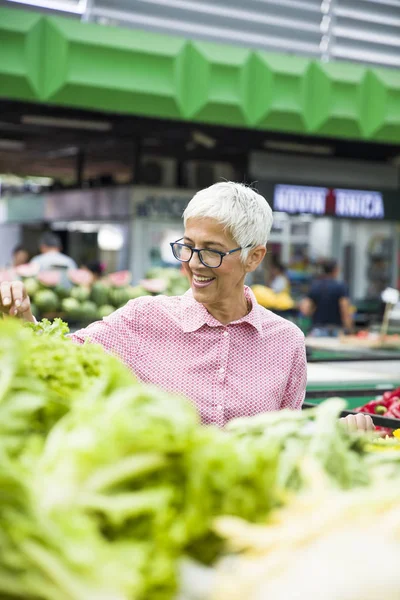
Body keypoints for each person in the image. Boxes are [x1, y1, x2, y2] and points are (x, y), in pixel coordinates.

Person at [0, 182, 371, 433]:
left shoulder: (285, 342)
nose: (194, 263)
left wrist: (335, 433)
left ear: (254, 257)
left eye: (210, 250)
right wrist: (22, 322)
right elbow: (61, 359)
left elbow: (289, 438)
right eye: (187, 246)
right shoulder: (142, 319)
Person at [300, 258, 353, 337]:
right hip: (335, 330)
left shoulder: (315, 286)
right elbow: (344, 310)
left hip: (317, 330)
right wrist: (349, 329)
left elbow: (305, 310)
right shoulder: (340, 287)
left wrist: (313, 311)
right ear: (335, 270)